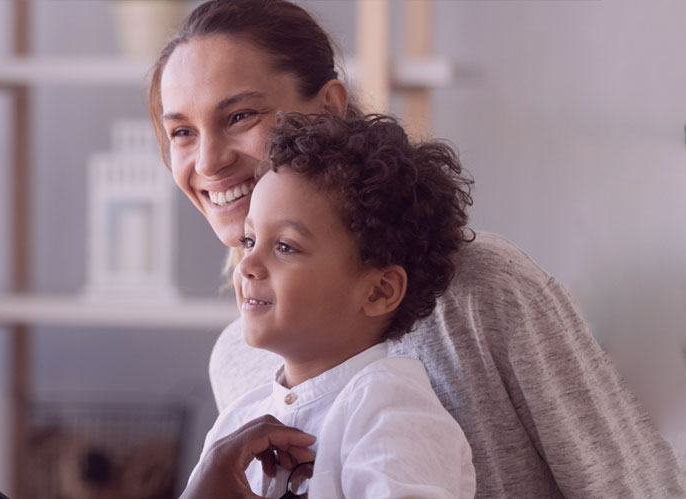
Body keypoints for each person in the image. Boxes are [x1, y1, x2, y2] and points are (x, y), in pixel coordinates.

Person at [150, 0, 686, 497]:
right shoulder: (243, 360)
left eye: (240, 116)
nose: (209, 161)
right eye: (181, 133)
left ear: (331, 107)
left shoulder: (483, 289)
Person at [190, 112, 477, 497]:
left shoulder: (391, 412)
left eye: (286, 246)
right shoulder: (239, 422)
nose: (249, 266)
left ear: (379, 291)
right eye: (249, 241)